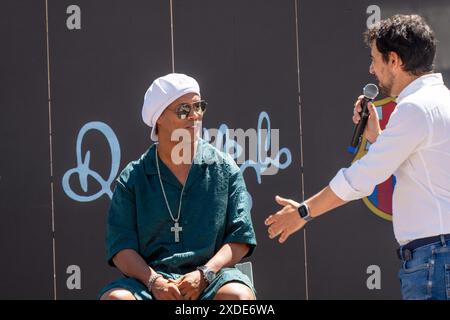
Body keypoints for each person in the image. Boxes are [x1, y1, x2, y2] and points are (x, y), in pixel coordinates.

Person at [265, 14, 450, 300]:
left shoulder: (416, 108)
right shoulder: (439, 101)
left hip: (435, 258)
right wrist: (376, 138)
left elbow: (361, 179)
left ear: (394, 60)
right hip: (436, 256)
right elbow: (418, 168)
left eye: (375, 58)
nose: (371, 68)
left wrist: (304, 211)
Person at [99, 73, 256, 300]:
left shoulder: (224, 168)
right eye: (184, 110)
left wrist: (205, 273)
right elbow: (121, 247)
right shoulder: (133, 177)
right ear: (159, 118)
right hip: (151, 282)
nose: (195, 116)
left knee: (238, 297)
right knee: (116, 299)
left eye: (199, 107)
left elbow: (240, 238)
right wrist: (154, 282)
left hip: (212, 279)